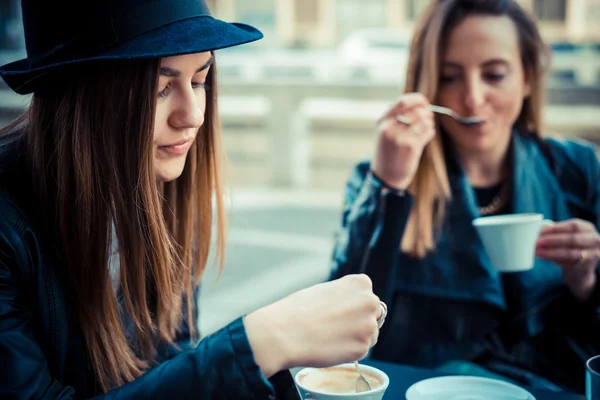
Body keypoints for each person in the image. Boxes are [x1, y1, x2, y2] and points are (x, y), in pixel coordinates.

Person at [0, 0, 387, 398]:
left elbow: (172, 363)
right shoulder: (6, 227)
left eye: (199, 80)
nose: (193, 115)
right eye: (161, 88)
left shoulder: (165, 186)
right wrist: (263, 342)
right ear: (82, 95)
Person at [330, 0, 600, 394]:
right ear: (427, 86)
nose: (472, 99)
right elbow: (338, 327)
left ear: (527, 78)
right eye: (450, 77)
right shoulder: (380, 180)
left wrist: (589, 284)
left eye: (494, 75)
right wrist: (389, 187)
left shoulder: (577, 170)